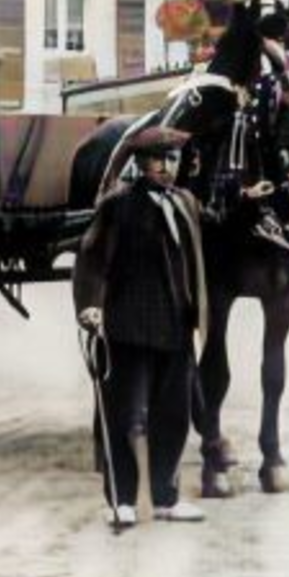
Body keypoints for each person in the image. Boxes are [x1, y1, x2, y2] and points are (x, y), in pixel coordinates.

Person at [74, 125, 208, 528]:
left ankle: (167, 498)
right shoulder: (118, 204)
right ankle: (122, 500)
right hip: (127, 325)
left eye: (173, 159)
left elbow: (214, 232)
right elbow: (93, 257)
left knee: (173, 414)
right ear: (141, 163)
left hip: (175, 326)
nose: (167, 167)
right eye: (158, 160)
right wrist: (92, 306)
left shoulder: (185, 202)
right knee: (124, 414)